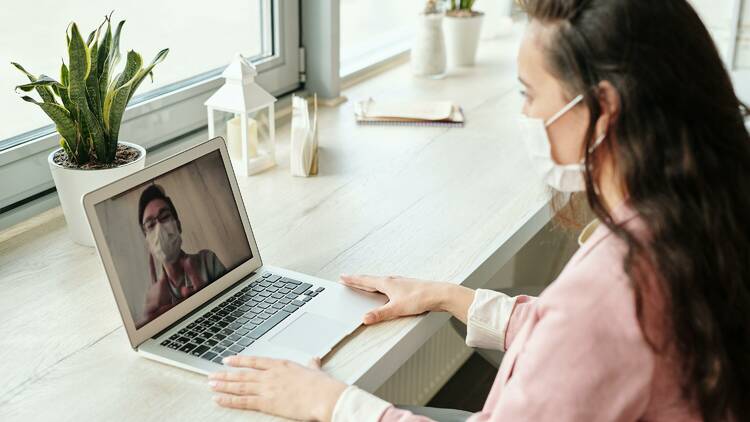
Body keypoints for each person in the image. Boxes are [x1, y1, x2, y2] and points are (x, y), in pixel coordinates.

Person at [206, 0, 750, 421]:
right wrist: (454, 297)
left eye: (529, 93)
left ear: (602, 110)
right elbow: (590, 349)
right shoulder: (699, 214)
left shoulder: (614, 287)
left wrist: (329, 402)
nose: (525, 114)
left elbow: (589, 329)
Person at [138, 184, 226, 325]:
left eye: (165, 216)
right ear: (147, 241)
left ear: (178, 225)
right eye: (150, 225)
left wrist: (208, 301)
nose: (159, 228)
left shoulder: (208, 261)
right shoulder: (155, 299)